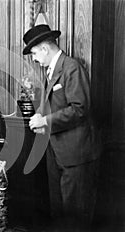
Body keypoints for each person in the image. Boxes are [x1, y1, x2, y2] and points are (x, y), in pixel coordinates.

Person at [23, 24, 99, 231]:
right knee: (60, 211)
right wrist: (40, 114)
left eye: (34, 54)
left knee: (75, 215)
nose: (35, 59)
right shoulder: (53, 69)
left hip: (75, 154)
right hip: (57, 152)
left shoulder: (71, 67)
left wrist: (46, 121)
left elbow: (79, 109)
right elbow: (55, 103)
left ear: (45, 49)